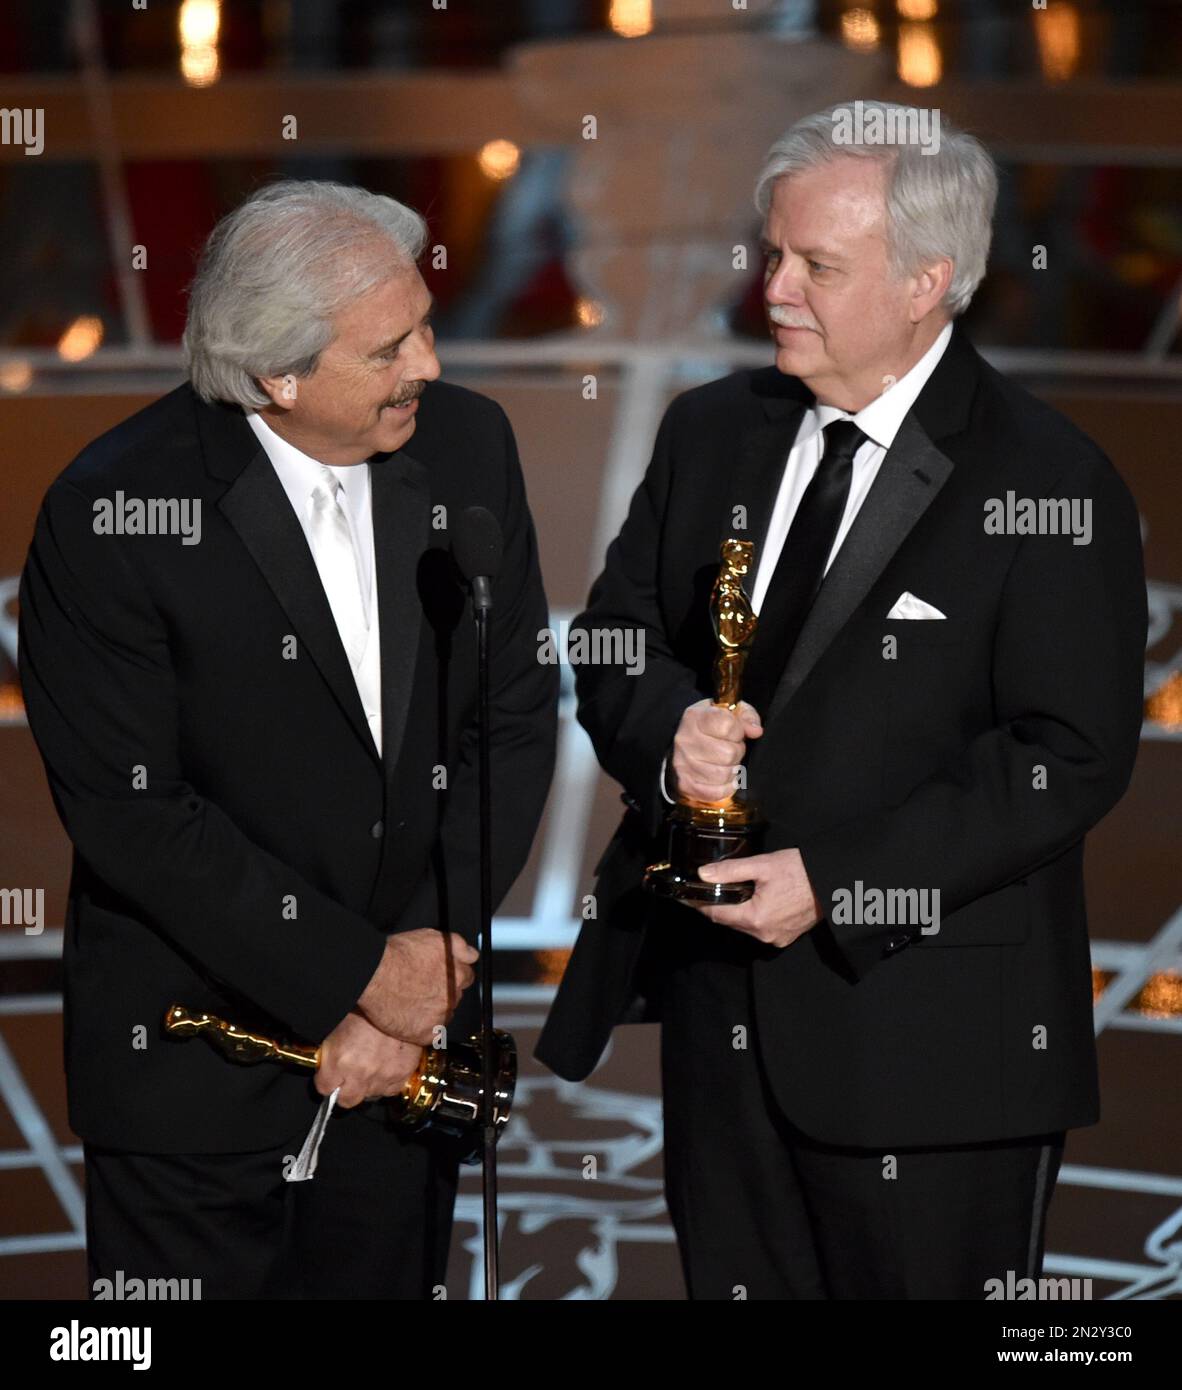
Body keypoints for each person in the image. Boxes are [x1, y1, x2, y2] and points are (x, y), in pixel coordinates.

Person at [536, 102, 1146, 1299]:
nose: (775, 288)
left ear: (930, 281)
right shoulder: (713, 429)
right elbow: (613, 636)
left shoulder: (1049, 479)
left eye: (818, 265)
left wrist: (835, 880)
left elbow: (1067, 754)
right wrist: (672, 739)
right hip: (721, 1030)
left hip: (933, 1051)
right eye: (773, 254)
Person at [19, 180, 558, 1299]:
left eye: (424, 324)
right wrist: (358, 979)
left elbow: (510, 716)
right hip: (199, 1073)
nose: (431, 366)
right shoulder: (114, 510)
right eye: (390, 348)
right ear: (277, 375)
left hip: (413, 1065)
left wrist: (434, 959)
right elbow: (135, 813)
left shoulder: (468, 448)